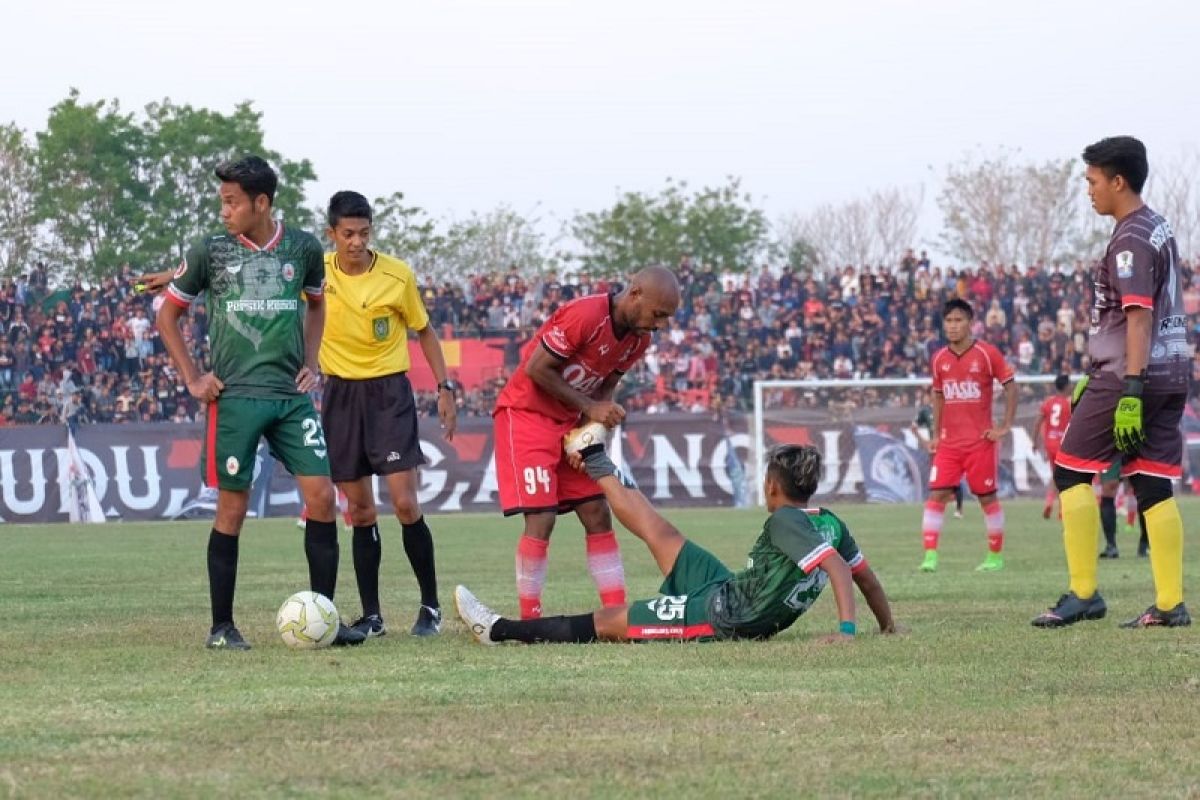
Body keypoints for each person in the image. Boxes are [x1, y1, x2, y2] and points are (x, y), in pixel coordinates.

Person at [156, 155, 365, 649]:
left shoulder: (303, 248)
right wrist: (193, 377)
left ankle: (325, 620)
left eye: (232, 202)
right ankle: (222, 628)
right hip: (234, 399)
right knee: (232, 509)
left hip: (290, 399)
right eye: (222, 202)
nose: (224, 211)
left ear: (262, 202)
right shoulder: (210, 251)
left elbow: (318, 305)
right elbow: (169, 317)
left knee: (322, 498)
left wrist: (311, 360)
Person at [456, 434, 897, 645]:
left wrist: (846, 632)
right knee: (660, 532)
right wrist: (889, 626)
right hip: (731, 588)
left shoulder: (784, 520)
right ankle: (594, 457)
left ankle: (499, 630)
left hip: (722, 615)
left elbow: (838, 570)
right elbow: (866, 579)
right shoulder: (832, 524)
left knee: (609, 621)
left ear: (772, 487)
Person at [1034, 136, 1190, 629]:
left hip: (1133, 375)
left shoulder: (1128, 239)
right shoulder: (1157, 225)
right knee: (1151, 484)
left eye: (1093, 180)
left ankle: (1084, 594)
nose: (1089, 191)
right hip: (1172, 373)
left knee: (1070, 474)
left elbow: (1138, 317)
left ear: (1118, 181)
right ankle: (1169, 603)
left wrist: (1128, 388)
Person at [493, 266, 681, 619]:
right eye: (658, 314)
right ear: (636, 293)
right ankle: (530, 620)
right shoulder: (586, 314)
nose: (660, 325)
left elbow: (605, 389)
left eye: (666, 318)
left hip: (571, 420)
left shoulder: (639, 339)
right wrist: (589, 407)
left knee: (597, 511)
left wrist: (589, 435)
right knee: (542, 517)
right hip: (526, 414)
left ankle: (616, 613)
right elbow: (537, 369)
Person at [317, 190, 458, 638]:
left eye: (363, 233)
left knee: (404, 503)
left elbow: (426, 332)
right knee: (359, 511)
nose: (356, 242)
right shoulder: (315, 272)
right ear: (332, 233)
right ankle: (372, 615)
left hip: (388, 395)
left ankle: (430, 607)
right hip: (339, 395)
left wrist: (444, 387)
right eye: (347, 234)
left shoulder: (397, 275)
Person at [919, 299, 1018, 573]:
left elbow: (1011, 387)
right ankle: (930, 556)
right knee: (936, 494)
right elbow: (938, 396)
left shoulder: (987, 354)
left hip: (980, 442)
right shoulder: (939, 358)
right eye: (948, 321)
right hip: (949, 444)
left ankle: (995, 557)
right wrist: (936, 434)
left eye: (958, 320)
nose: (952, 326)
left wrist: (1005, 425)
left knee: (986, 498)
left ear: (970, 323)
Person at [911, 390, 964, 518]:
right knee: (937, 480)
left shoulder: (950, 408)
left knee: (954, 479)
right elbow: (913, 427)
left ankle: (959, 508)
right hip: (936, 451)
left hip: (950, 449)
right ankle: (939, 506)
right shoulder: (925, 411)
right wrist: (925, 443)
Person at [1033, 375, 1073, 520]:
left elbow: (1038, 422)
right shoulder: (1069, 404)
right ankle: (1062, 511)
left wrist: (1034, 442)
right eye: (1070, 384)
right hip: (1064, 445)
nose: (1072, 387)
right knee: (1066, 478)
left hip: (1050, 444)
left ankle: (1049, 502)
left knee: (1055, 477)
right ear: (1066, 386)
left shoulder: (1048, 403)